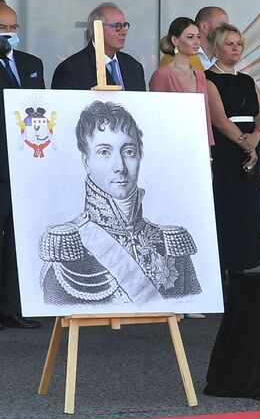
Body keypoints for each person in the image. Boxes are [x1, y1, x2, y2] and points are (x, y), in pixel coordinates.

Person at [39, 101, 200, 306]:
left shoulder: (172, 243)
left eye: (129, 151)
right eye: (104, 152)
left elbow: (192, 302)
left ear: (140, 155)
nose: (120, 166)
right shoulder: (66, 248)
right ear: (86, 161)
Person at [204, 24, 260, 275]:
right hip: (226, 152)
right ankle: (223, 273)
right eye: (229, 43)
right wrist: (246, 143)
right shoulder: (209, 79)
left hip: (250, 146)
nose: (235, 48)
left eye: (238, 43)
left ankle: (243, 270)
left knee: (247, 213)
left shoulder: (248, 80)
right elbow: (219, 120)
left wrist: (256, 138)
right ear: (217, 48)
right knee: (228, 210)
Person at [0, 2, 43, 328]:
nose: (10, 34)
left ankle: (12, 307)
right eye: (4, 28)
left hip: (26, 164)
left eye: (13, 28)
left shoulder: (31, 63)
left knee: (19, 239)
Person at [149, 16, 240, 148]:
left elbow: (206, 115)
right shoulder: (162, 75)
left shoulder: (200, 74)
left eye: (198, 36)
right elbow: (155, 116)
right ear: (175, 40)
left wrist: (209, 144)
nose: (197, 42)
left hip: (199, 143)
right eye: (190, 37)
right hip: (172, 143)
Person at [51, 3, 147, 91]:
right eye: (117, 26)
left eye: (125, 26)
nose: (124, 32)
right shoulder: (71, 69)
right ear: (97, 28)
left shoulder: (134, 66)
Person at [194, 6, 228, 71]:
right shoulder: (184, 55)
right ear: (204, 27)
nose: (227, 30)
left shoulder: (226, 56)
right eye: (223, 26)